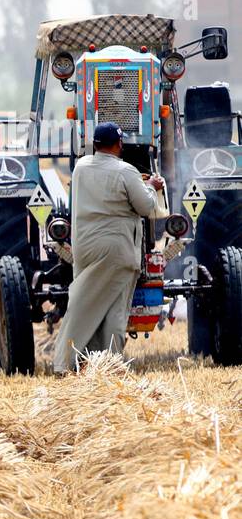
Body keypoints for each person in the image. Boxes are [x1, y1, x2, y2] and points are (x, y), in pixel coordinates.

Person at [52, 123, 165, 373]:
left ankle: (83, 362)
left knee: (86, 302)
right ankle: (108, 365)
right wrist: (152, 186)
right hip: (117, 249)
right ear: (119, 144)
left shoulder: (80, 167)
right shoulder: (126, 171)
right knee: (115, 310)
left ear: (94, 144)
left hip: (84, 248)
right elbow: (146, 207)